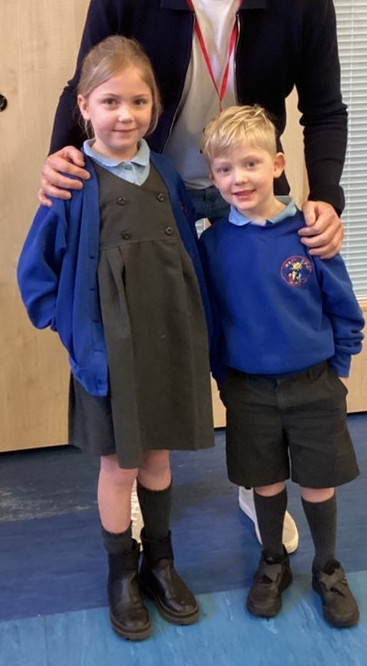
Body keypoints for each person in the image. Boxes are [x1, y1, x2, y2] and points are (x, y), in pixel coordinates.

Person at [38, 0, 348, 550]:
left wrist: (326, 196)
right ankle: (143, 471)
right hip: (157, 197)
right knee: (153, 339)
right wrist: (61, 157)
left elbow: (325, 110)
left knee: (252, 334)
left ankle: (256, 473)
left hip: (250, 190)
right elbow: (79, 89)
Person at [17, 36, 215, 642]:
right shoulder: (72, 181)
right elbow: (36, 267)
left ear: (155, 107)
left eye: (138, 101)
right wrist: (68, 325)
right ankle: (121, 573)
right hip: (108, 351)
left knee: (158, 458)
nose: (124, 115)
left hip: (167, 343)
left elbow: (190, 241)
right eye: (110, 101)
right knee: (119, 466)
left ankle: (160, 562)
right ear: (84, 106)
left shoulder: (164, 173)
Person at [199, 105, 364, 629]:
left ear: (277, 163)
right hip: (247, 390)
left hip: (315, 383)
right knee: (265, 482)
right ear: (213, 177)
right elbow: (212, 318)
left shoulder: (311, 234)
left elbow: (344, 307)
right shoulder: (213, 242)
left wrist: (338, 369)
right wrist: (225, 378)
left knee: (318, 483)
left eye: (249, 164)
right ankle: (274, 561)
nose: (237, 178)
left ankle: (328, 568)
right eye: (224, 169)